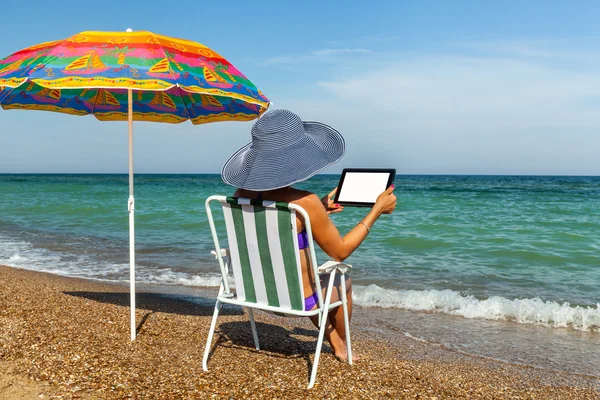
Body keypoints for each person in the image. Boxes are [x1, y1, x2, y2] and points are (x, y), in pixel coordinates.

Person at [221, 109, 397, 362]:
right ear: (298, 157)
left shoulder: (240, 195)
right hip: (299, 300)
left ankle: (335, 343)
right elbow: (340, 251)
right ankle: (343, 344)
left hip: (255, 294)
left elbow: (277, 220)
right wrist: (376, 210)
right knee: (339, 280)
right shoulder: (305, 202)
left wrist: (319, 210)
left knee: (307, 274)